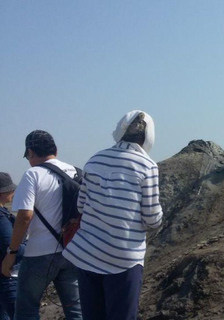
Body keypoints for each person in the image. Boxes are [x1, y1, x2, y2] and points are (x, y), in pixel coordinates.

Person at [62, 110, 163, 320]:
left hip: (88, 254)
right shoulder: (148, 166)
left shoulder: (94, 160)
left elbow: (81, 205)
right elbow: (152, 218)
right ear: (148, 136)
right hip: (123, 258)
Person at [1, 130, 82, 320]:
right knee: (75, 309)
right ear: (55, 149)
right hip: (72, 251)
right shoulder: (77, 171)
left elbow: (24, 217)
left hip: (39, 254)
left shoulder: (32, 174)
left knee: (26, 308)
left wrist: (11, 253)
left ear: (30, 152)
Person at [0, 173, 26, 319]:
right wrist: (26, 246)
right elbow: (9, 244)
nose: (13, 192)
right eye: (11, 190)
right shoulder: (1, 217)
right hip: (7, 277)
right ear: (3, 193)